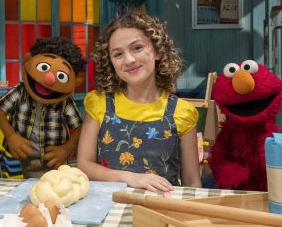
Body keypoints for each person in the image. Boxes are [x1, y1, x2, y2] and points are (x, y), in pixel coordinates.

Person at [76, 11, 202, 191]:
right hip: (109, 207)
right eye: (118, 54)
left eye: (137, 48)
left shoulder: (182, 112)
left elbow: (192, 182)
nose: (129, 60)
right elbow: (84, 165)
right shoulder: (99, 102)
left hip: (162, 209)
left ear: (157, 51)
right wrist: (128, 178)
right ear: (110, 62)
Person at [0, 36, 85, 177]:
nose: (49, 79)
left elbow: (80, 127)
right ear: (28, 61)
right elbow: (1, 113)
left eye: (60, 75)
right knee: (28, 188)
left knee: (55, 188)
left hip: (54, 160)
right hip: (24, 157)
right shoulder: (20, 91)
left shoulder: (65, 102)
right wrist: (11, 136)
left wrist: (67, 149)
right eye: (44, 67)